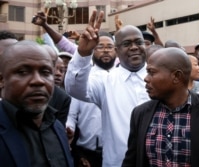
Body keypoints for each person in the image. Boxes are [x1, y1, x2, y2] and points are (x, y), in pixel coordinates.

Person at [122, 47, 199, 167]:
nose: (146, 78)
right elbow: (132, 159)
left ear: (176, 76)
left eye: (151, 72)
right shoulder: (141, 113)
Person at [65, 10, 150, 167]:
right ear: (117, 51)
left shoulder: (161, 77)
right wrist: (83, 53)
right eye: (126, 44)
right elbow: (74, 88)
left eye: (138, 42)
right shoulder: (105, 81)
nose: (133, 47)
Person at [0, 40, 73, 167]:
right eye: (23, 72)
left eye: (45, 72)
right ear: (1, 80)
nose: (38, 81)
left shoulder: (57, 127)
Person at [66, 31, 117, 167]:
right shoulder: (83, 79)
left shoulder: (123, 78)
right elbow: (72, 115)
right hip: (87, 155)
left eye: (110, 46)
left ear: (116, 50)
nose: (105, 50)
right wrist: (69, 128)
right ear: (93, 49)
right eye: (100, 46)